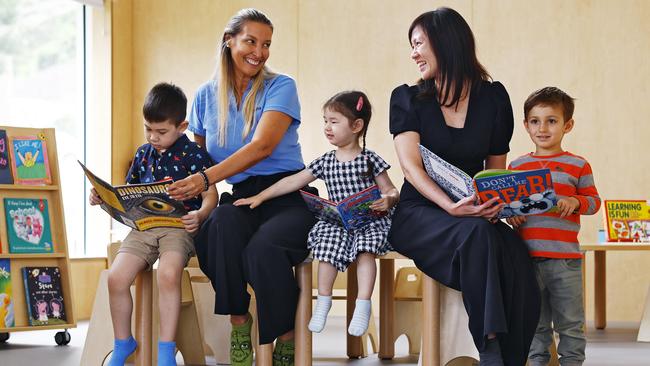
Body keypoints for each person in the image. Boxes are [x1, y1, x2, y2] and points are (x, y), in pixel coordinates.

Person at [387, 7, 541, 366]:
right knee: (478, 237)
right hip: (421, 212)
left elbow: (495, 173)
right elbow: (410, 168)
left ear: (446, 43)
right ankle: (490, 349)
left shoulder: (494, 99)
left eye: (419, 43)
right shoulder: (407, 98)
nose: (413, 53)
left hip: (473, 213)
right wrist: (451, 206)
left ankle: (512, 355)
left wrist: (496, 205)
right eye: (412, 45)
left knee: (516, 255)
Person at [166, 8, 315, 366]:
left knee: (262, 250)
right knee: (218, 228)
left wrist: (205, 179)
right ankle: (238, 320)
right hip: (242, 193)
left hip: (287, 194)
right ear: (228, 41)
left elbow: (262, 147)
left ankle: (287, 334)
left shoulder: (281, 86)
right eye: (251, 41)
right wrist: (196, 198)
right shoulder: (204, 97)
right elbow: (198, 164)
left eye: (266, 44)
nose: (259, 52)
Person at [234, 91, 399, 336]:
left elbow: (390, 189)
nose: (327, 127)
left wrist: (388, 200)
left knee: (366, 251)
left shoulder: (369, 159)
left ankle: (363, 305)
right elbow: (293, 182)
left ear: (356, 126)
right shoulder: (326, 161)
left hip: (367, 222)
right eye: (325, 121)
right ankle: (323, 301)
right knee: (325, 250)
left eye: (334, 121)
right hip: (339, 224)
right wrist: (260, 196)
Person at [90, 83, 217, 366]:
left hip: (178, 228)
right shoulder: (142, 153)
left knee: (169, 275)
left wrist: (200, 214)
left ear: (181, 126)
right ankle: (124, 343)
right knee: (115, 278)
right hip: (142, 229)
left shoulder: (193, 154)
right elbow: (128, 195)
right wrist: (103, 198)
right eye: (148, 129)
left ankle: (165, 349)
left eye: (161, 131)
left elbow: (211, 194)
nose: (153, 137)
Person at [507, 87, 601, 366]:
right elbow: (508, 207)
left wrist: (576, 201)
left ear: (567, 125)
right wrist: (511, 216)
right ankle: (537, 362)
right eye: (535, 121)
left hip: (566, 261)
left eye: (552, 120)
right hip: (527, 260)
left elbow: (594, 202)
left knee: (570, 323)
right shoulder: (517, 166)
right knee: (535, 324)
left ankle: (572, 362)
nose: (543, 128)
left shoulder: (578, 165)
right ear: (526, 125)